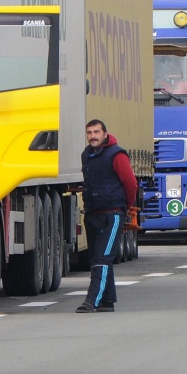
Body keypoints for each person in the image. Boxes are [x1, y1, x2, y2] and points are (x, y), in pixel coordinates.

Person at [77, 119, 138, 313]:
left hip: (112, 215)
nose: (93, 136)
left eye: (96, 132)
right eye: (89, 133)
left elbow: (131, 184)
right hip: (93, 213)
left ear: (105, 134)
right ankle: (107, 300)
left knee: (102, 259)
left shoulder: (117, 155)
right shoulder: (86, 155)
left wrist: (124, 207)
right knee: (97, 258)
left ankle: (92, 300)